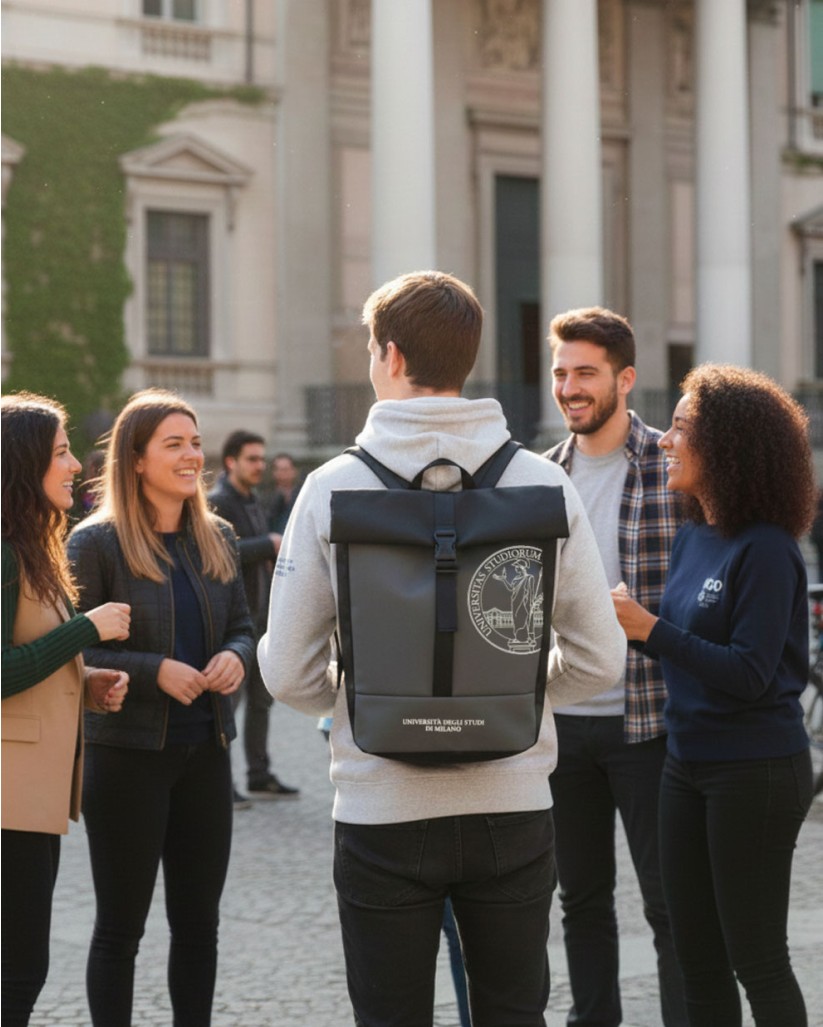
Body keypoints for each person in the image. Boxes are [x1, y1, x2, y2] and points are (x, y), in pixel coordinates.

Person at [258, 270, 627, 1026]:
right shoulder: (541, 483)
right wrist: (508, 690)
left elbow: (289, 672)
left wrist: (371, 693)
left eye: (369, 349)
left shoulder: (332, 487)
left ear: (390, 354)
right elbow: (599, 659)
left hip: (380, 804)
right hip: (510, 802)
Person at [612, 364, 816, 1027]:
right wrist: (628, 626)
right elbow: (684, 646)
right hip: (685, 764)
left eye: (678, 426)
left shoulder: (766, 550)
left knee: (756, 957)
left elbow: (750, 672)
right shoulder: (693, 534)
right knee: (694, 958)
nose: (664, 440)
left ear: (725, 443)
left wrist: (650, 628)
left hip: (754, 770)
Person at [67, 388, 255, 1027]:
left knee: (200, 927)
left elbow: (243, 625)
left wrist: (236, 656)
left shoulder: (219, 534)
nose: (192, 455)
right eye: (174, 444)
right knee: (120, 930)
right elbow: (74, 655)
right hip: (126, 758)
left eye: (195, 442)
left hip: (207, 751)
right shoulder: (95, 544)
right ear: (136, 459)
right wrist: (154, 672)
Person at [545, 307, 686, 1027]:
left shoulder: (673, 466)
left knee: (669, 904)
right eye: (561, 372)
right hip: (563, 725)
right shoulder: (539, 477)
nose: (568, 387)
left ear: (624, 378)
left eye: (585, 373)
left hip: (648, 723)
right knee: (581, 902)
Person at [1, 393, 130, 1027]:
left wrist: (87, 681)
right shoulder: (3, 553)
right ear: (23, 464)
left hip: (29, 799)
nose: (77, 464)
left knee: (21, 970)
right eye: (60, 452)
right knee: (16, 972)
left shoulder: (30, 550)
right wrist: (87, 633)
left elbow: (28, 657)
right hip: (7, 801)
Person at [208, 431, 299, 804]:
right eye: (252, 459)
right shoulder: (218, 503)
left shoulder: (253, 501)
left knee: (262, 699)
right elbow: (217, 551)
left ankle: (259, 775)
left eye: (262, 459)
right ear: (231, 462)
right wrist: (268, 544)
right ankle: (218, 783)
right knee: (230, 703)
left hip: (263, 618)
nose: (259, 466)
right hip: (234, 621)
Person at [267, 452, 302, 534]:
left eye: (285, 469)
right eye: (279, 470)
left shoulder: (302, 497)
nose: (282, 474)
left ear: (294, 471)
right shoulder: (266, 500)